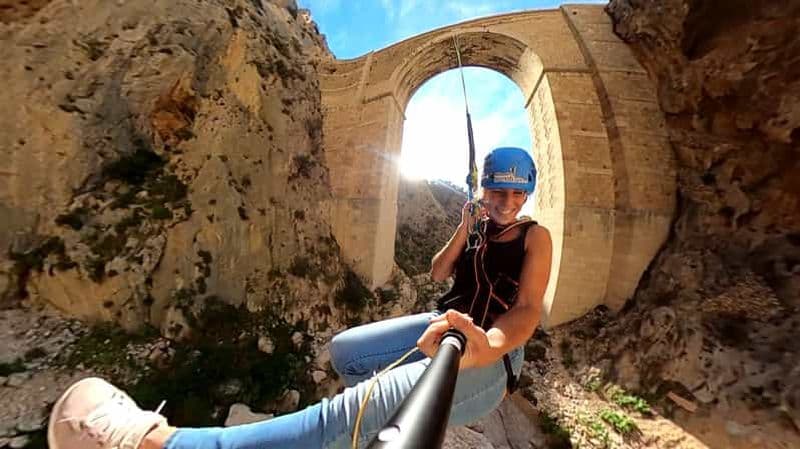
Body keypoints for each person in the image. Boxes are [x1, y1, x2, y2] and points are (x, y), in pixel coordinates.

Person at [47, 146, 552, 449]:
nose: (505, 203)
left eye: (514, 195)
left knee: (346, 413)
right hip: (442, 325)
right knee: (345, 351)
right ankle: (345, 432)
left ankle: (158, 442)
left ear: (525, 195)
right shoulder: (479, 226)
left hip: (489, 355)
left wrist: (487, 345)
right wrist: (464, 230)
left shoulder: (535, 238)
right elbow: (439, 270)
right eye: (496, 194)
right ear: (483, 191)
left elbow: (528, 308)